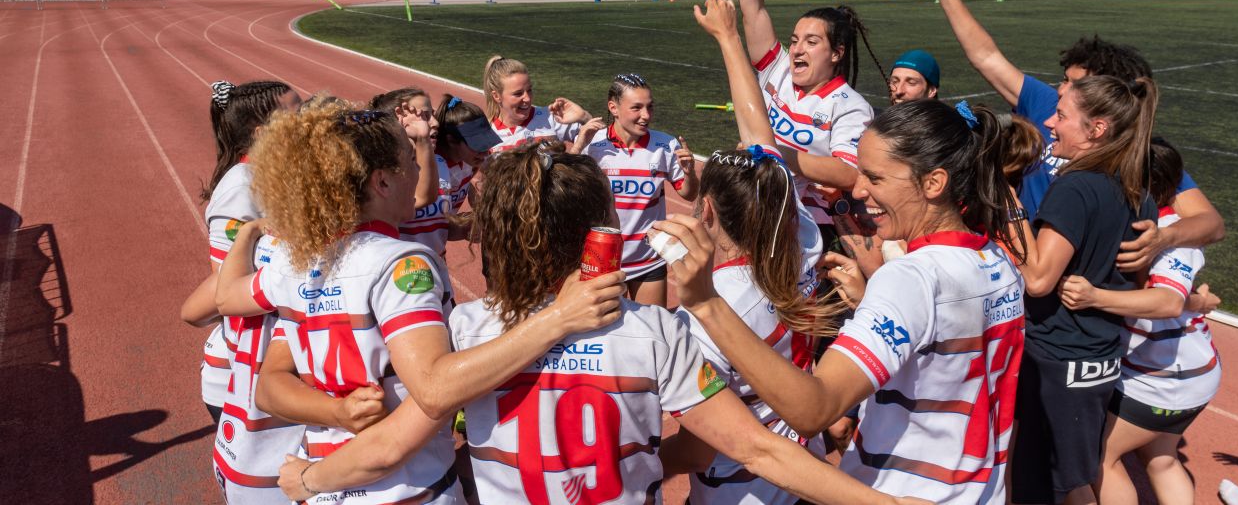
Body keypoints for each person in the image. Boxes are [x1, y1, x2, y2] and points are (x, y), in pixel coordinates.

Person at [273, 141, 928, 505]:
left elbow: (390, 446)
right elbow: (760, 447)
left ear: (499, 237)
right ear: (601, 228)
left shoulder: (468, 332)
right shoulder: (653, 331)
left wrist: (306, 477)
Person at [661, 0, 1026, 504]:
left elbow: (813, 409)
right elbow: (762, 145)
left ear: (934, 183)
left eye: (876, 178)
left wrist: (706, 305)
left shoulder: (910, 278)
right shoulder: (996, 258)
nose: (859, 189)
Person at [215, 99, 626, 505]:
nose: (417, 169)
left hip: (329, 483)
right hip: (404, 487)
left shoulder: (295, 259)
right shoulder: (400, 263)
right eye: (408, 160)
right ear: (382, 182)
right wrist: (558, 318)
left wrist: (336, 416)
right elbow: (432, 389)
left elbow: (268, 389)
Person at [658, 0, 845, 504]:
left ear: (708, 209)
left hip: (737, 493)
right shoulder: (800, 238)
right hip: (799, 466)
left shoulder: (708, 309)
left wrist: (639, 461)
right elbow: (760, 137)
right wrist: (728, 38)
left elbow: (697, 450)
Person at [916, 0, 1224, 273]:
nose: (1061, 89)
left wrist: (1165, 237)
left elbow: (1211, 222)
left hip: (1068, 282)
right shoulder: (1049, 106)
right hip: (1026, 261)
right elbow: (986, 57)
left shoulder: (1136, 151)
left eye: (1073, 83)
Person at [1007, 75, 1159, 505]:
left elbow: (1038, 280)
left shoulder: (1075, 186)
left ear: (1097, 129)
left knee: (1045, 481)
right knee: (1074, 477)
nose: (1051, 122)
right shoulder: (1138, 193)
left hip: (1054, 362)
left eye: (1062, 114)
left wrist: (1008, 215)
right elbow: (1136, 278)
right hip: (1098, 361)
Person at [1058, 138, 1222, 505]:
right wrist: (1198, 301)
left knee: (1102, 459)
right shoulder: (1178, 226)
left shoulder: (1154, 232)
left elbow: (1166, 301)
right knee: (1161, 459)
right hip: (1197, 370)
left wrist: (1094, 297)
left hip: (1158, 380)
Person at [176, 79, 307, 503]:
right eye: (295, 112)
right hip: (243, 370)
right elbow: (227, 291)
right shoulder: (241, 187)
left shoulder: (272, 174)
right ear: (260, 131)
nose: (304, 120)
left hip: (269, 365)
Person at [730, 0, 884, 247]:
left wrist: (771, 153)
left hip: (811, 230)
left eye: (811, 42)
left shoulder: (851, 106)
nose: (797, 49)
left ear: (836, 53)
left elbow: (848, 171)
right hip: (758, 211)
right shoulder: (778, 69)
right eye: (795, 39)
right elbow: (752, 7)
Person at [571, 72, 699, 306]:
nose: (646, 116)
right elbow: (563, 187)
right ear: (614, 108)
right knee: (608, 332)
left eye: (650, 107)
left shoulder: (665, 145)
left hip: (647, 260)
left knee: (651, 329)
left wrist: (689, 173)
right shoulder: (594, 143)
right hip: (603, 259)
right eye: (637, 108)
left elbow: (688, 194)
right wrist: (579, 144)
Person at [369, 88, 450, 258]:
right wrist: (422, 139)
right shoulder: (384, 170)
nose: (435, 122)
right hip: (401, 267)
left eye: (432, 114)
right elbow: (424, 197)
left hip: (434, 261)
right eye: (424, 116)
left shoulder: (440, 163)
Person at [482, 55, 589, 152]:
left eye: (529, 90)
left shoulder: (550, 118)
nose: (527, 99)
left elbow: (601, 140)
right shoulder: (486, 135)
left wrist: (584, 118)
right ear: (496, 96)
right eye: (518, 94)